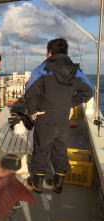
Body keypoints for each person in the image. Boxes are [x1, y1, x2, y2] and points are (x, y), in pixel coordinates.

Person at [24, 38, 93, 194]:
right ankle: (58, 184)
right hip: (63, 116)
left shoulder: (42, 68)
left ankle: (38, 185)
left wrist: (33, 110)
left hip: (45, 115)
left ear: (49, 52)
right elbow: (89, 91)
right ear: (66, 53)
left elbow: (29, 92)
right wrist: (70, 103)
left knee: (41, 148)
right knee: (60, 148)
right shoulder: (76, 71)